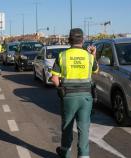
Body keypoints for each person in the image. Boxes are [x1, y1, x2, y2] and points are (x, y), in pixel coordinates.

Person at [51, 28, 98, 158]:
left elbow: (54, 79)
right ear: (82, 40)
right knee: (83, 129)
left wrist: (60, 88)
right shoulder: (88, 56)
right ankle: (83, 155)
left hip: (69, 97)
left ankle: (65, 153)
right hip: (86, 98)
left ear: (69, 40)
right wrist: (93, 54)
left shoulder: (62, 55)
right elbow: (95, 70)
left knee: (67, 127)